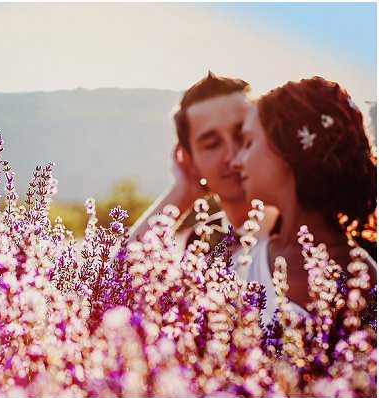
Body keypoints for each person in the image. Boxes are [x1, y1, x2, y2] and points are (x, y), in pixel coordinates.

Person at [230, 76, 377, 325]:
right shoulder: (242, 256)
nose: (236, 161)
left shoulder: (364, 284)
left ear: (285, 150)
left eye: (248, 143)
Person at [128, 72, 278, 250]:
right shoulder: (200, 241)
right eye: (212, 144)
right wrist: (183, 192)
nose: (233, 155)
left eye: (242, 135)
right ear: (189, 159)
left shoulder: (301, 230)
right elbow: (116, 275)